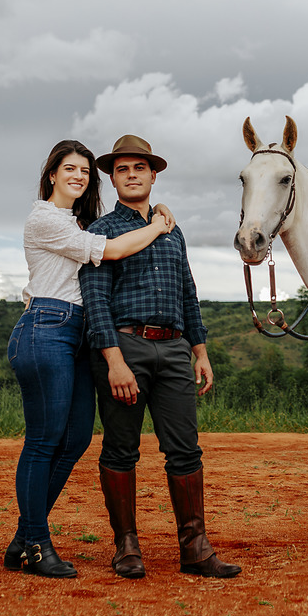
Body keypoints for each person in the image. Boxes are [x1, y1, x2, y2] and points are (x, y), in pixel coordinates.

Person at [5, 139, 175, 579]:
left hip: (76, 335)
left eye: (84, 171)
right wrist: (158, 225)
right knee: (44, 442)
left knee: (77, 438)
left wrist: (152, 216)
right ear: (51, 175)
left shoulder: (75, 222)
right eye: (70, 169)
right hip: (46, 326)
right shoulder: (44, 218)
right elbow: (115, 250)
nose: (79, 176)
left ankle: (24, 537)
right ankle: (38, 545)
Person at [79, 134, 241, 580]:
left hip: (172, 349)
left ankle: (195, 548)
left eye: (139, 168)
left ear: (154, 175)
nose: (132, 175)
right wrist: (113, 361)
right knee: (120, 449)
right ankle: (126, 547)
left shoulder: (174, 229)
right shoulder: (100, 232)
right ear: (112, 179)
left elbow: (188, 291)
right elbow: (95, 300)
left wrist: (199, 350)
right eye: (122, 169)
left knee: (185, 451)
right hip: (123, 346)